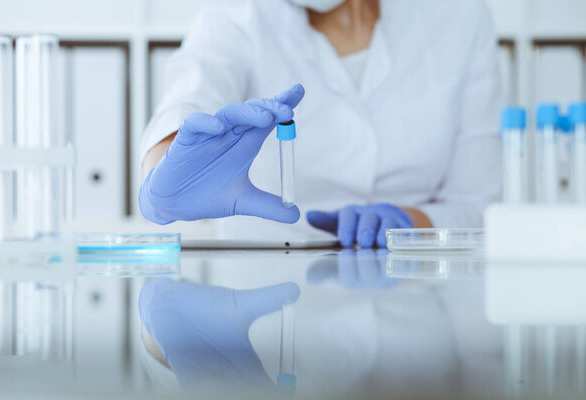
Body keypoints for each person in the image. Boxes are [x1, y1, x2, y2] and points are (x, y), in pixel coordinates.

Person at [139, 0, 502, 248]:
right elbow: (187, 100)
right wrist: (163, 181)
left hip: (418, 315)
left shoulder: (459, 15)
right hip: (265, 322)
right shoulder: (238, 13)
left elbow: (478, 207)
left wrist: (410, 224)